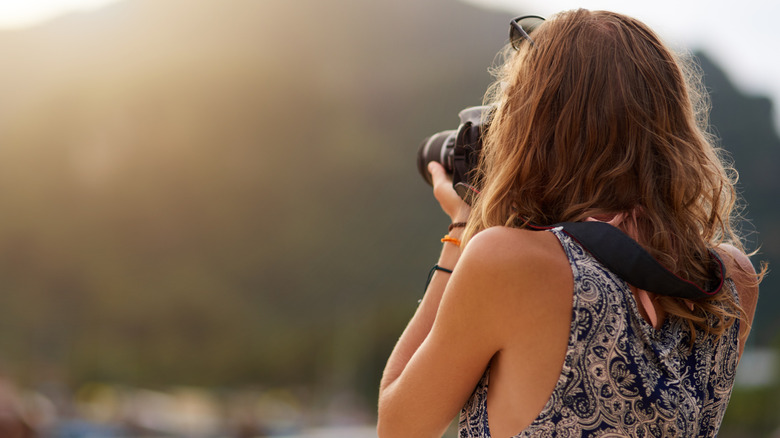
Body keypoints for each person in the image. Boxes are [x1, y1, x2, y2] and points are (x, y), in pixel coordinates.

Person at [377, 8, 763, 438]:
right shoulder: (730, 279)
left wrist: (461, 231)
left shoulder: (508, 262)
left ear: (530, 127)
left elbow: (399, 426)